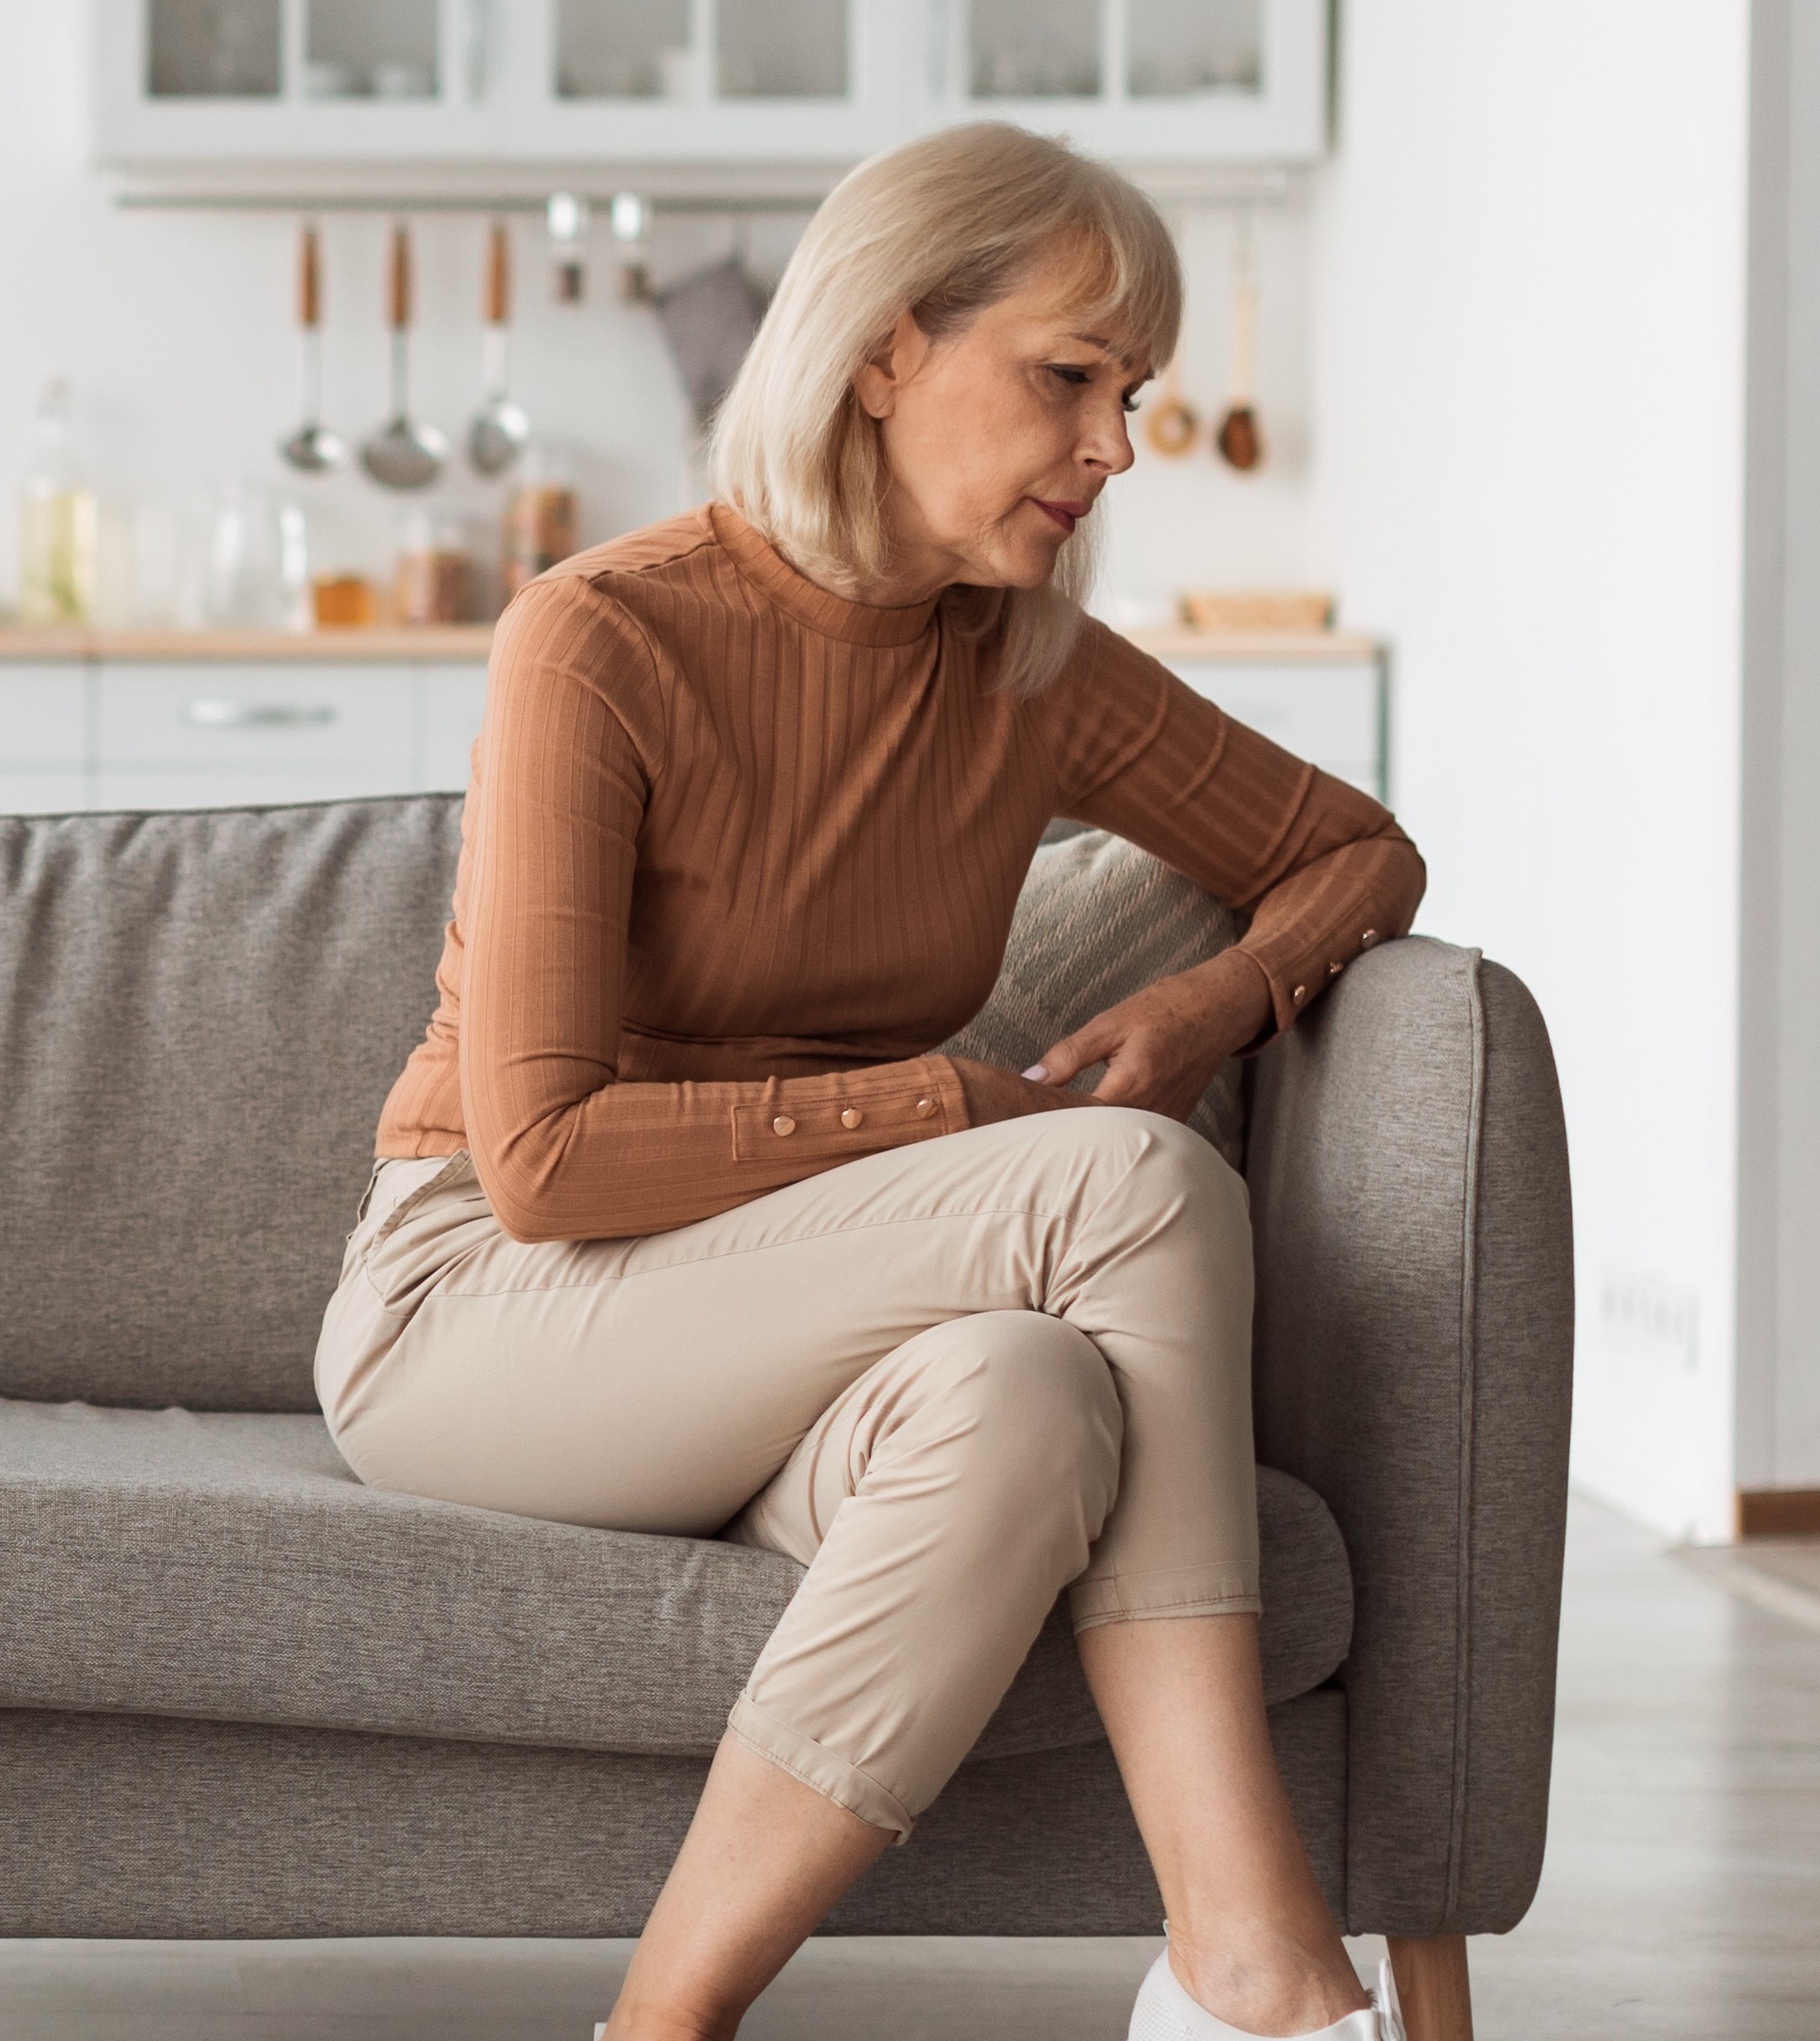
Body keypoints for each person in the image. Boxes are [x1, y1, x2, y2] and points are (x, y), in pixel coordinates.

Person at [311, 124, 1424, 2041]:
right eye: (1069, 376)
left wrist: (1211, 1008)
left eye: (1134, 394)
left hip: (799, 1329)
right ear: (884, 348)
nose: (1115, 448)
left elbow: (1353, 851)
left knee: (1027, 1389)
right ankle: (1253, 1965)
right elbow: (547, 1163)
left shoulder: (1027, 665)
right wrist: (960, 1105)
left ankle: (657, 2027)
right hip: (484, 1311)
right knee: (1123, 1187)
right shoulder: (604, 638)